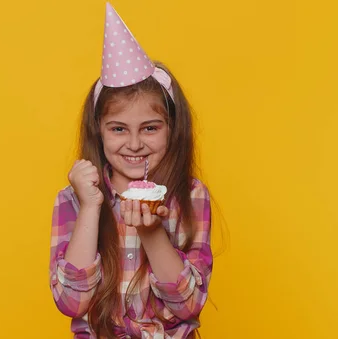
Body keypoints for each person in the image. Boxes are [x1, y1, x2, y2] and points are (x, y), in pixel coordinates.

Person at [49, 3, 213, 338]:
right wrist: (92, 206)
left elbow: (188, 305)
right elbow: (71, 302)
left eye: (150, 128)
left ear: (172, 127)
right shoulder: (72, 199)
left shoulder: (191, 195)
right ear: (99, 129)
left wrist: (152, 230)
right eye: (119, 129)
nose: (135, 144)